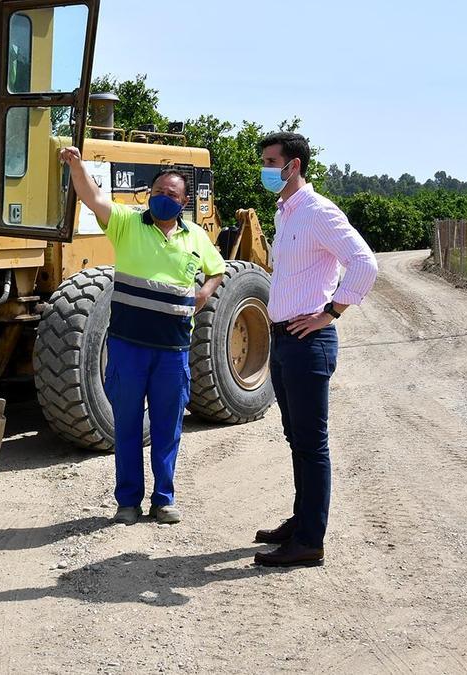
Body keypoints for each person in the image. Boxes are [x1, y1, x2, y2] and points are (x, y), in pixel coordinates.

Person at [59, 146, 226, 525]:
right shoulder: (127, 223)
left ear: (184, 202)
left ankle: (164, 499)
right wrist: (76, 165)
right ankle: (128, 502)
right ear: (148, 195)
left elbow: (217, 270)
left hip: (172, 352)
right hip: (128, 348)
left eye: (172, 195)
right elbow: (92, 196)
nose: (164, 198)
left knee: (168, 429)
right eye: (159, 192)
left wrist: (205, 293)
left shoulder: (196, 237)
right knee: (129, 426)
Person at [251, 132, 378, 567]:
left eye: (271, 161)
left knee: (311, 443)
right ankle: (301, 520)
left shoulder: (319, 212)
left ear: (295, 164)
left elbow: (365, 262)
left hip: (309, 341)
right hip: (284, 339)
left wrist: (332, 311)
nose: (265, 169)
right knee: (296, 439)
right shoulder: (286, 212)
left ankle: (309, 542)